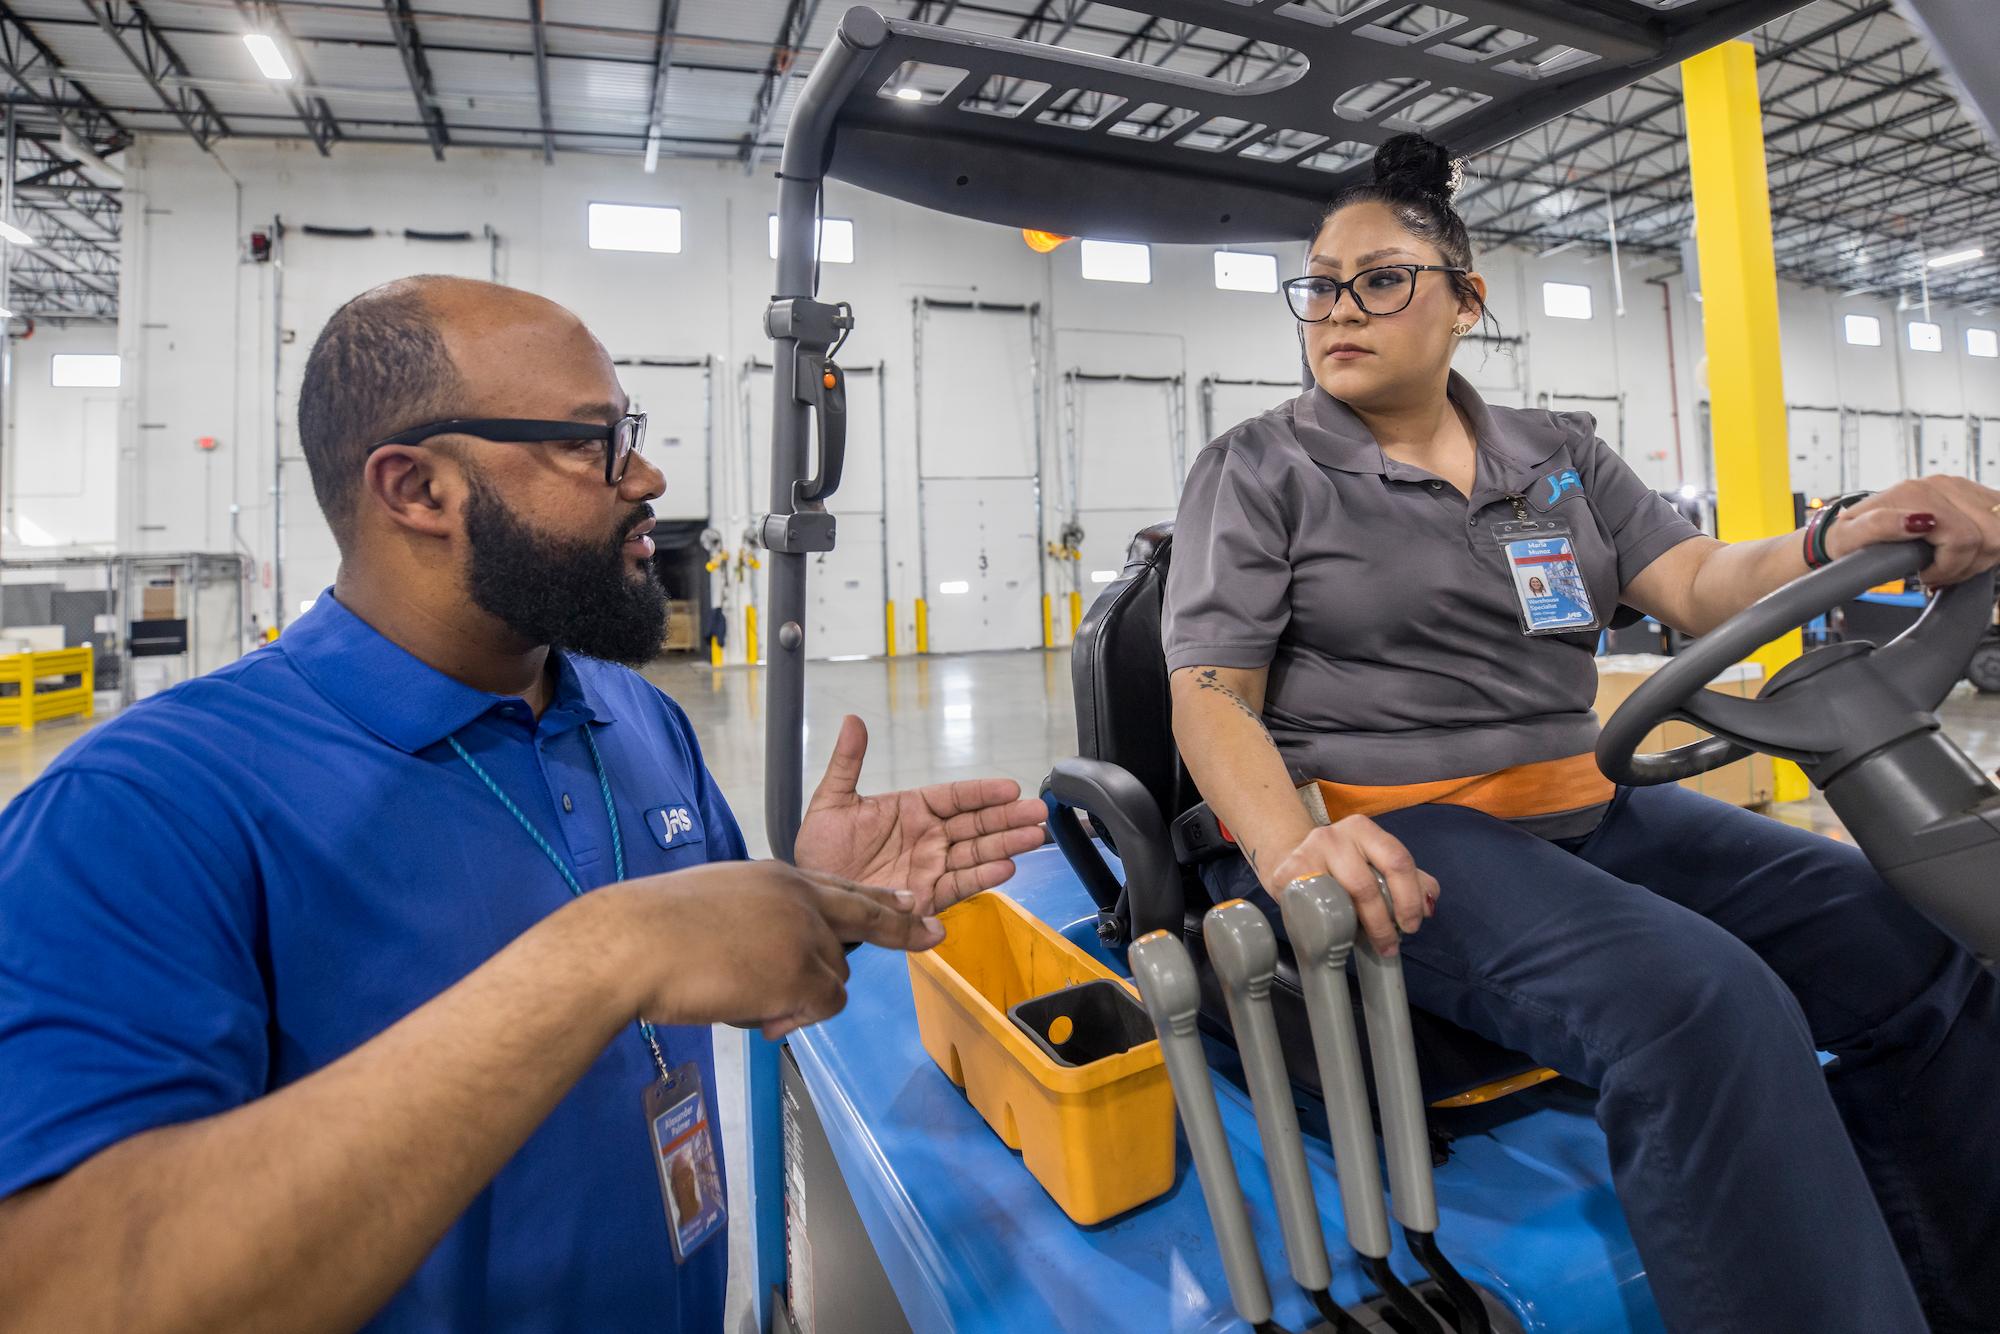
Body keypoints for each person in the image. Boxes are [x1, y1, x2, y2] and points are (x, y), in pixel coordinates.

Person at [0, 276, 1048, 1332]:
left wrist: (820, 898)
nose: (645, 474)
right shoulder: (143, 808)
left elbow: (706, 968)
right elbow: (62, 1288)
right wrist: (598, 954)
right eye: (591, 443)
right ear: (416, 489)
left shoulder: (634, 719)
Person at [1166, 133, 2000, 1333]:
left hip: (1583, 810)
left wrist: (1838, 530)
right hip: (1390, 833)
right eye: (1318, 284)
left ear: (1465, 300)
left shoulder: (1554, 454)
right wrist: (1295, 852)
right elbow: (1209, 691)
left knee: (1914, 944)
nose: (1336, 308)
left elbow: (1704, 580)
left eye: (1379, 277)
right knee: (1699, 1005)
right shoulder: (1260, 469)